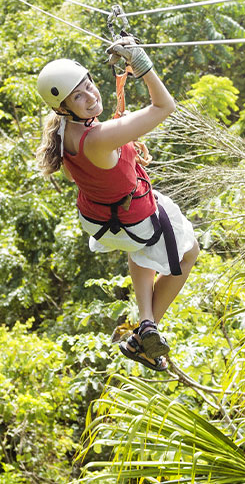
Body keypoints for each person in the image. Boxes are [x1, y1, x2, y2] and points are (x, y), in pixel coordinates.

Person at [34, 37, 200, 371]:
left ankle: (147, 320)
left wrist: (122, 151)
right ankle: (144, 332)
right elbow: (165, 107)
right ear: (64, 107)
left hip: (99, 221)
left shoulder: (62, 130)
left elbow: (85, 168)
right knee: (190, 249)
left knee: (140, 243)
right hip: (132, 221)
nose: (91, 95)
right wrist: (143, 67)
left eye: (88, 85)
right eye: (78, 96)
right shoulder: (99, 137)